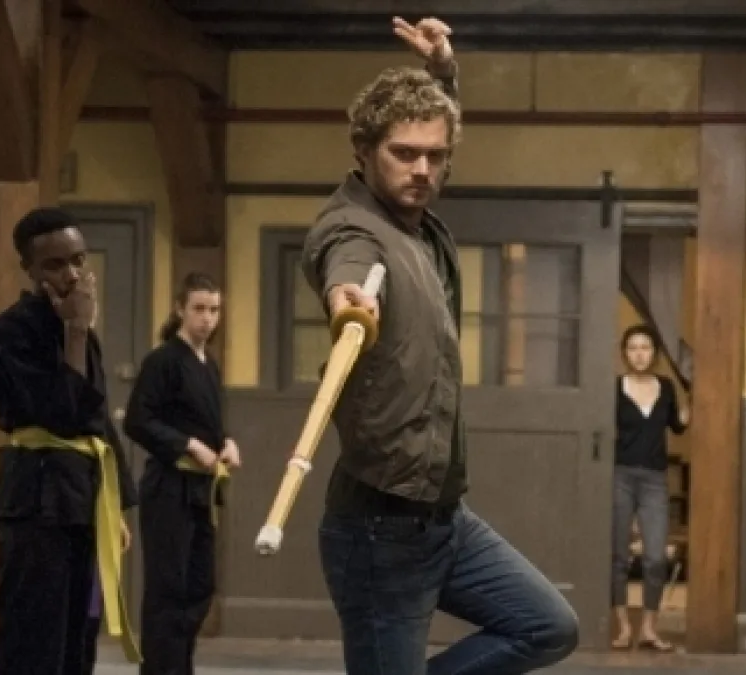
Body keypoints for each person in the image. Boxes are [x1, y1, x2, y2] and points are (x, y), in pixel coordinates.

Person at [299, 15, 578, 675]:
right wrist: (348, 303)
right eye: (404, 154)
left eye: (436, 155)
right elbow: (344, 267)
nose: (422, 169)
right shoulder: (354, 229)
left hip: (445, 521)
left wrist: (443, 74)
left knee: (547, 626)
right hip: (378, 529)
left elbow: (433, 129)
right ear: (363, 151)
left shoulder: (416, 222)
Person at [0, 206, 140, 674]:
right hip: (37, 503)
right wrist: (77, 331)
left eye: (78, 260)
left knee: (79, 640)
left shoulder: (80, 331)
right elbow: (62, 414)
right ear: (30, 269)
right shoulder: (11, 332)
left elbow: (96, 418)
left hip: (81, 500)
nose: (72, 275)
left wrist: (114, 506)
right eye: (56, 265)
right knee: (34, 642)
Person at [123, 272, 237, 675]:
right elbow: (137, 420)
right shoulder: (164, 361)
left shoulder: (209, 366)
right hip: (169, 489)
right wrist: (187, 445)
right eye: (199, 309)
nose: (207, 318)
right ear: (180, 310)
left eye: (214, 310)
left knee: (198, 588)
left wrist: (226, 442)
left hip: (201, 491)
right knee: (168, 592)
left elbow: (207, 422)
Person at [609, 325, 689, 652]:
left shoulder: (665, 387)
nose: (639, 354)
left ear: (654, 352)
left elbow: (678, 426)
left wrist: (692, 404)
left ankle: (649, 629)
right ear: (625, 353)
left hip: (655, 479)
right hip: (621, 476)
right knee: (618, 555)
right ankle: (622, 628)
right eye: (633, 348)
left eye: (645, 347)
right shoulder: (614, 388)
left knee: (655, 558)